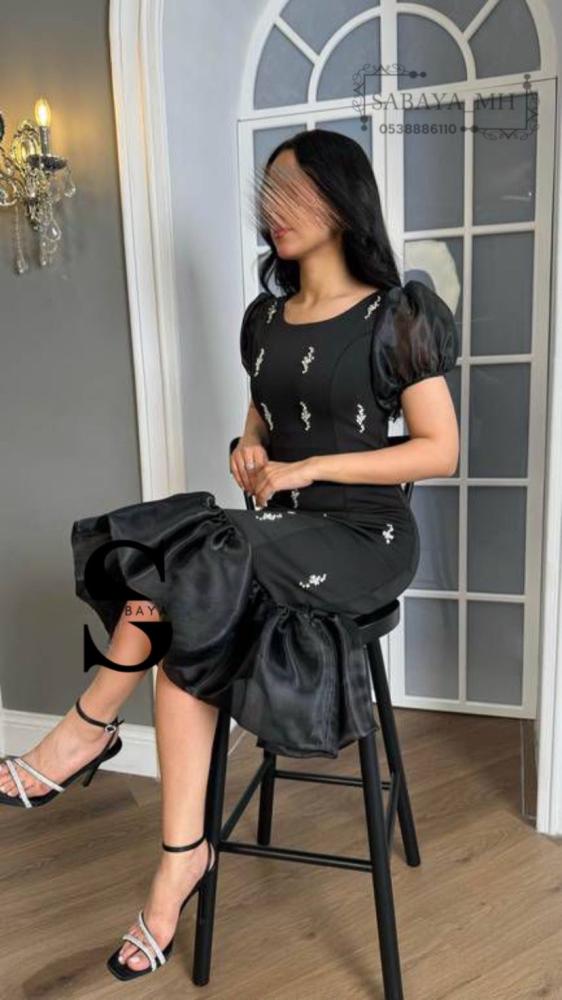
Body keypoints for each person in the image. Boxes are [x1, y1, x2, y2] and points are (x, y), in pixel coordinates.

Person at [0, 128, 459, 979]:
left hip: (366, 539)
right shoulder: (267, 319)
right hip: (279, 532)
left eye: (293, 192)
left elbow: (440, 450)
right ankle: (179, 862)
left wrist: (308, 468)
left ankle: (88, 728)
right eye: (269, 193)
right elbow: (260, 419)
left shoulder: (398, 315)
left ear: (340, 201)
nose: (273, 209)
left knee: (195, 547)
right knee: (187, 631)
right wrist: (248, 449)